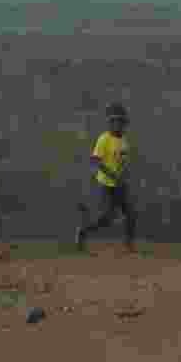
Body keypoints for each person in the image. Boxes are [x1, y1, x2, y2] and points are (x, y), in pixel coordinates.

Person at [77, 103, 135, 251]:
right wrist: (113, 175)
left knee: (130, 213)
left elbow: (123, 163)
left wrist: (123, 176)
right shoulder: (104, 139)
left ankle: (129, 245)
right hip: (106, 184)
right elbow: (96, 161)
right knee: (107, 218)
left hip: (119, 185)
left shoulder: (124, 142)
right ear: (110, 123)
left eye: (121, 122)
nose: (118, 125)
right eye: (115, 121)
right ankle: (83, 231)